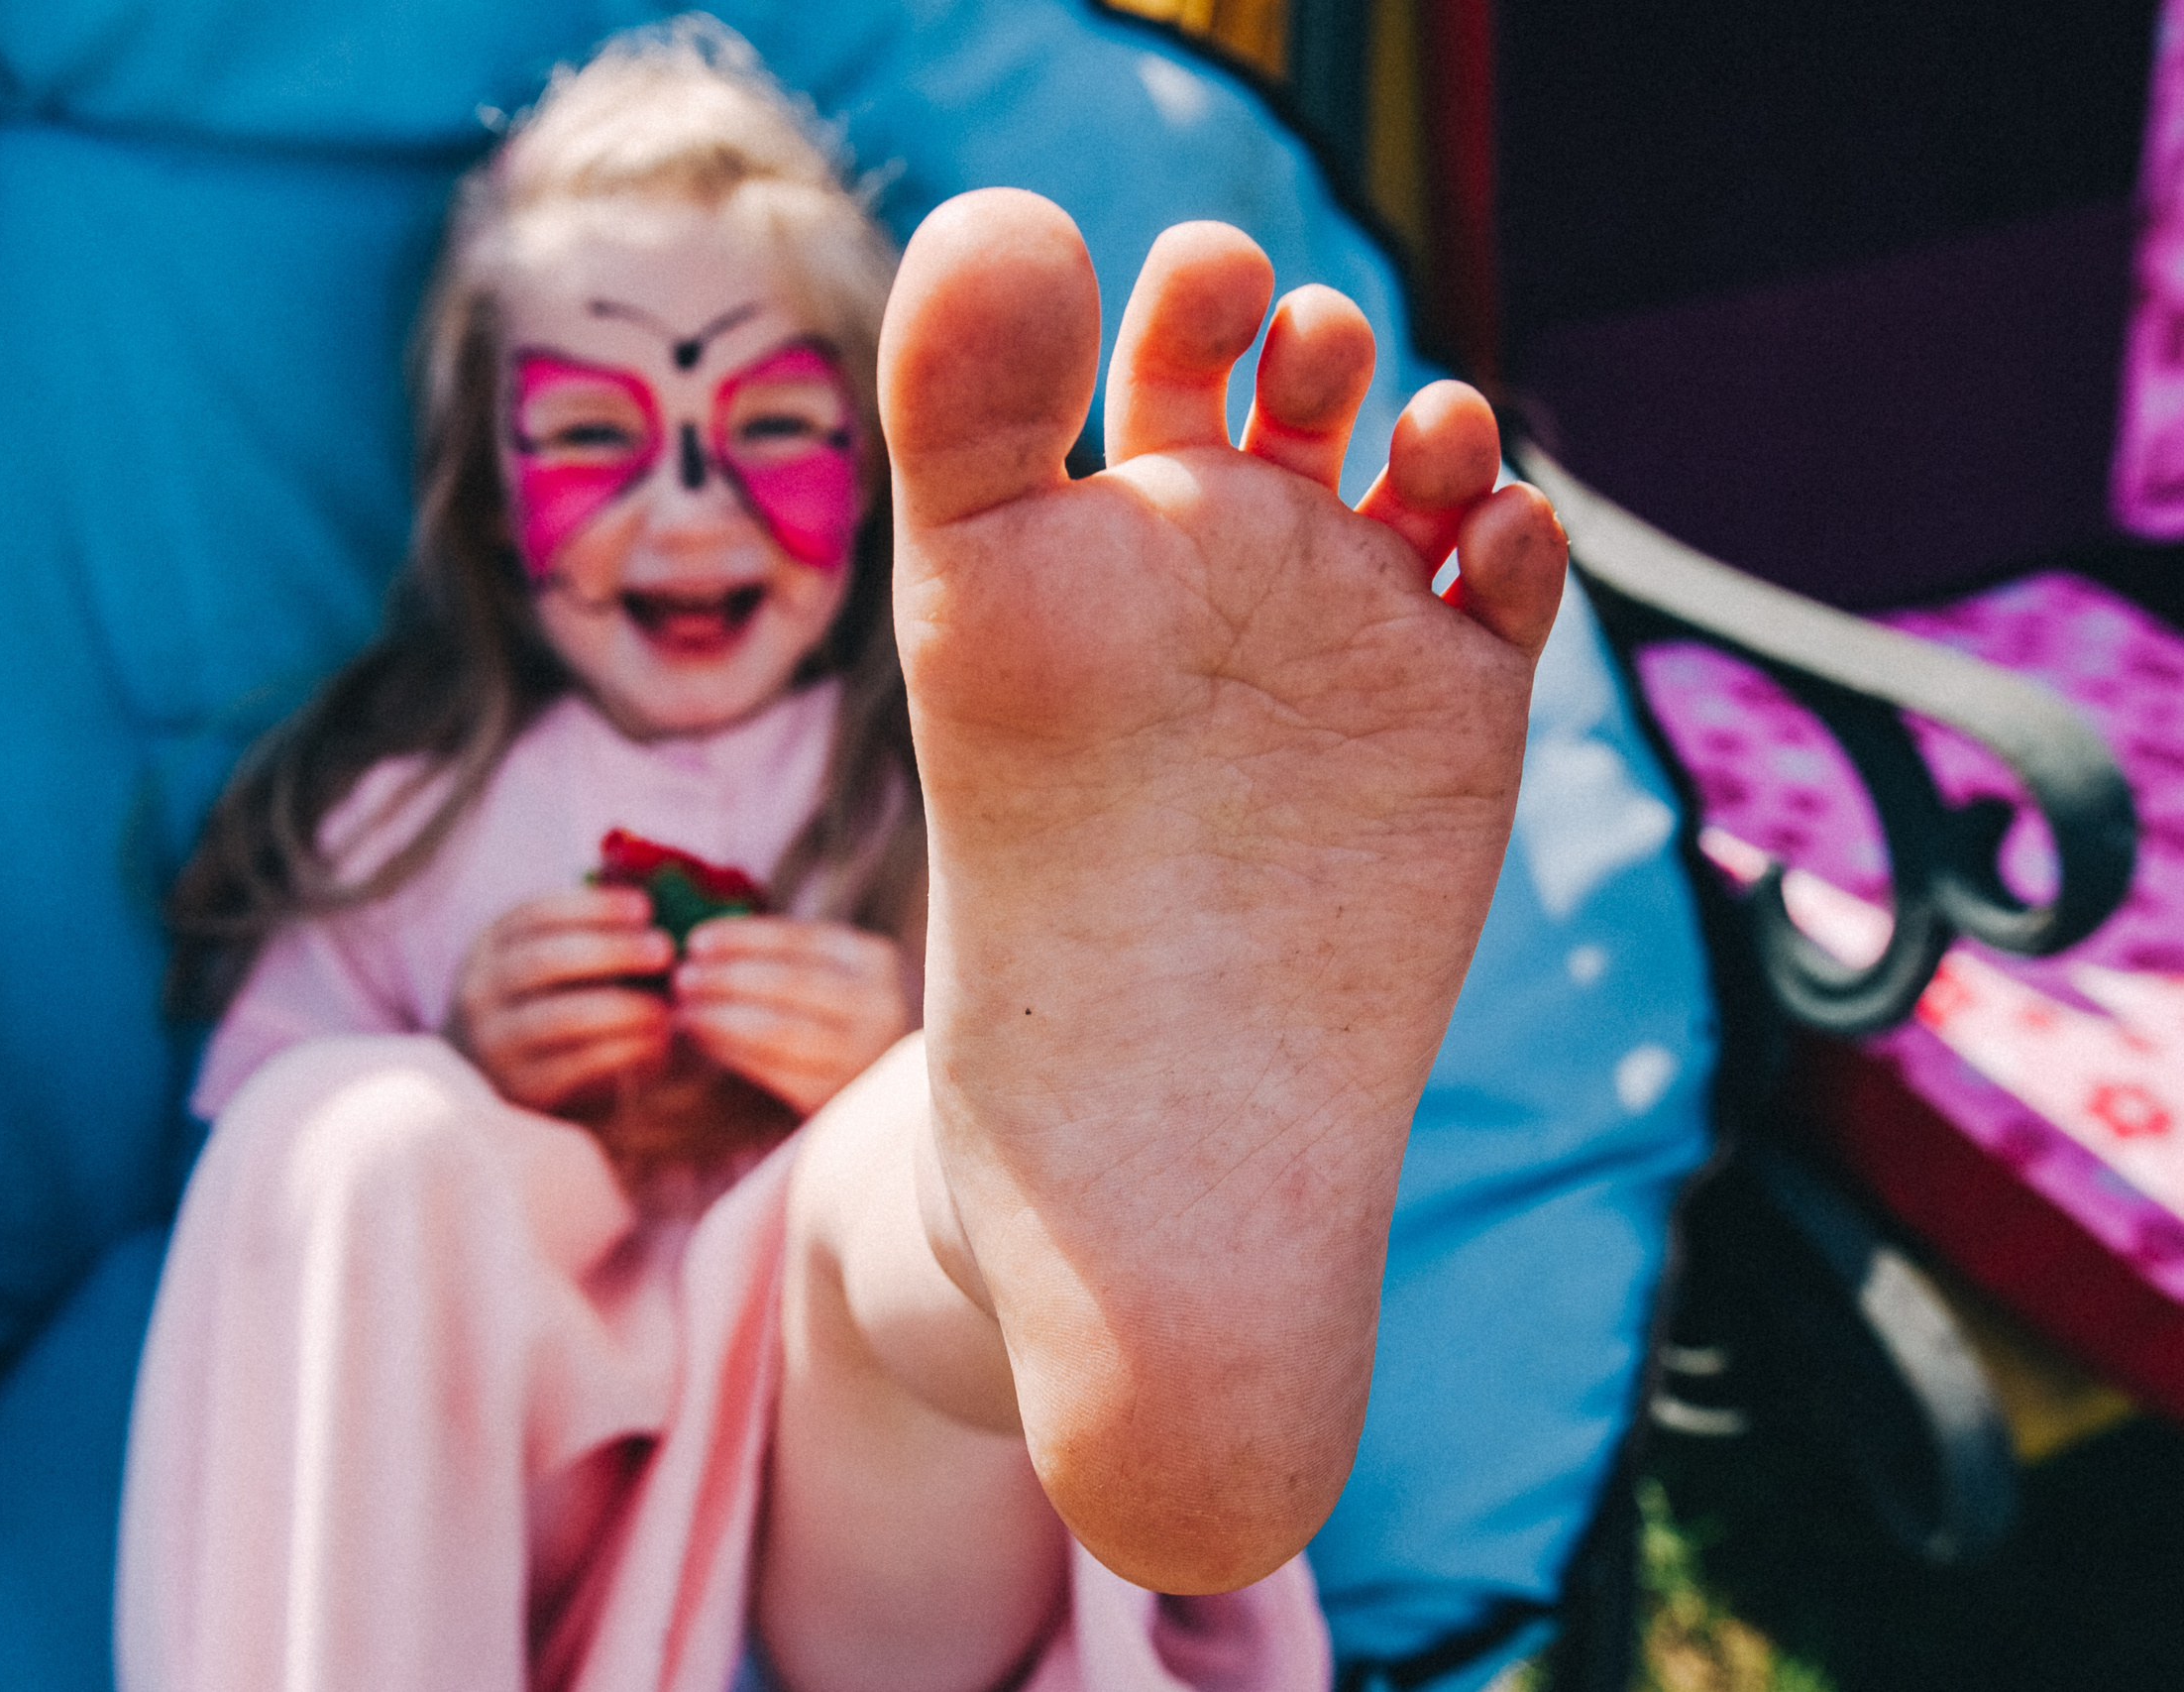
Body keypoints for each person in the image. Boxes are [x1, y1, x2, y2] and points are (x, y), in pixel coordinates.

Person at [118, 22, 1568, 1692]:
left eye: (773, 430)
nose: (689, 507)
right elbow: (253, 1205)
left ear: (870, 465)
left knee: (909, 1148)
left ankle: (1032, 1192)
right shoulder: (409, 818)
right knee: (351, 1137)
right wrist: (460, 1058)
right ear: (482, 484)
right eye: (593, 436)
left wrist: (892, 1054)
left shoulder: (953, 788)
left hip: (851, 1568)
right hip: (477, 1569)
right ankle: (1017, 1162)